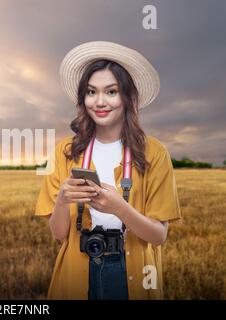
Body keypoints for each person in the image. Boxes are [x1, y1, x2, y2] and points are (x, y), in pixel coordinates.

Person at [35, 41, 182, 300]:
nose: (99, 101)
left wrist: (119, 208)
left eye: (111, 92)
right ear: (83, 98)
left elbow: (159, 236)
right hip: (78, 269)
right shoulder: (65, 151)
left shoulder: (154, 153)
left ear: (128, 97)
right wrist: (62, 200)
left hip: (131, 272)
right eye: (91, 92)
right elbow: (59, 235)